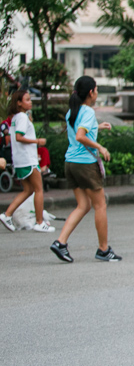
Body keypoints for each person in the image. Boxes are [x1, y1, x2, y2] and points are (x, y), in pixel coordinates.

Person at [50, 76, 121, 263]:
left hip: (71, 163)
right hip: (85, 164)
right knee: (100, 205)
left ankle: (60, 242)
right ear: (91, 92)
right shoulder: (88, 111)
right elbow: (81, 136)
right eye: (96, 89)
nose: (97, 92)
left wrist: (97, 127)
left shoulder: (72, 111)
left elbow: (76, 133)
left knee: (83, 206)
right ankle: (104, 250)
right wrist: (100, 147)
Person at [1, 90, 54, 233]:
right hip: (28, 159)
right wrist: (38, 141)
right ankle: (39, 222)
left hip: (20, 160)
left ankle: (7, 215)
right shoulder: (22, 118)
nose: (30, 102)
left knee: (29, 190)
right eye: (27, 99)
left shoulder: (16, 118)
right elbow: (19, 137)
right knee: (38, 189)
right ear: (19, 103)